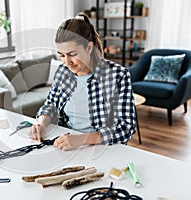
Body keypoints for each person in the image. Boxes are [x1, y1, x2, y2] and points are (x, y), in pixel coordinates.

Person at [29, 13, 136, 150]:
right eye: (61, 55)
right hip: (66, 144)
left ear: (89, 47)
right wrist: (41, 123)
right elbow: (51, 105)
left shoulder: (117, 75)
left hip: (102, 148)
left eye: (72, 54)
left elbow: (126, 128)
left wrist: (82, 139)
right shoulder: (63, 72)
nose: (67, 62)